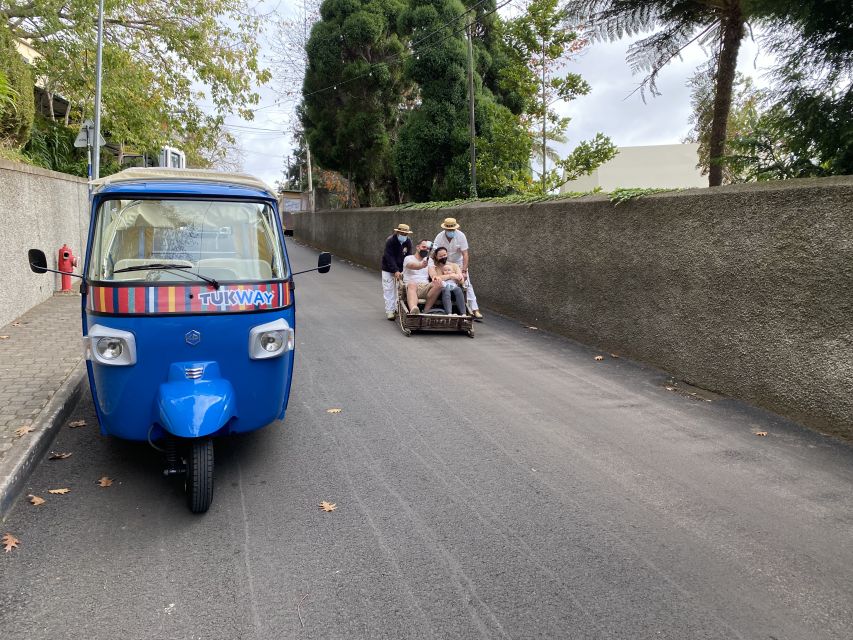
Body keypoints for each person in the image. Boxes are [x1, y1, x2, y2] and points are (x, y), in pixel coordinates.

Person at [432, 217, 483, 320]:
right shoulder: (439, 237)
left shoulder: (461, 236)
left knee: (467, 283)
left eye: (452, 230)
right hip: (443, 261)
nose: (451, 231)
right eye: (449, 230)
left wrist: (464, 270)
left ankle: (475, 309)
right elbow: (434, 252)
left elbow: (465, 254)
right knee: (440, 280)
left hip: (457, 262)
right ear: (445, 229)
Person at [381, 223, 413, 320]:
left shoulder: (408, 242)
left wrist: (404, 270)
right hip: (388, 268)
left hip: (401, 269)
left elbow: (408, 256)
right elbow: (389, 257)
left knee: (399, 290)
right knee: (388, 289)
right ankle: (390, 311)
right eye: (402, 233)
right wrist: (395, 270)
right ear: (398, 232)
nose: (404, 236)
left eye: (405, 234)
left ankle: (396, 309)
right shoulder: (390, 241)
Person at [402, 239, 442, 315]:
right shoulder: (408, 258)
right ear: (417, 247)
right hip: (411, 287)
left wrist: (434, 277)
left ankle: (426, 311)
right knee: (412, 284)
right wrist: (421, 265)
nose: (426, 249)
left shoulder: (429, 260)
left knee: (439, 283)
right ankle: (414, 309)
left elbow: (432, 271)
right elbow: (412, 266)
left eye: (427, 248)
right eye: (424, 247)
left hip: (424, 286)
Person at [428, 247, 465, 315]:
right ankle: (449, 313)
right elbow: (436, 278)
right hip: (440, 291)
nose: (443, 257)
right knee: (446, 289)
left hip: (454, 289)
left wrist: (458, 278)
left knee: (458, 289)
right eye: (440, 256)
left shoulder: (454, 265)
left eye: (444, 255)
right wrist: (451, 276)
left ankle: (463, 314)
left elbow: (461, 280)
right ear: (436, 257)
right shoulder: (435, 267)